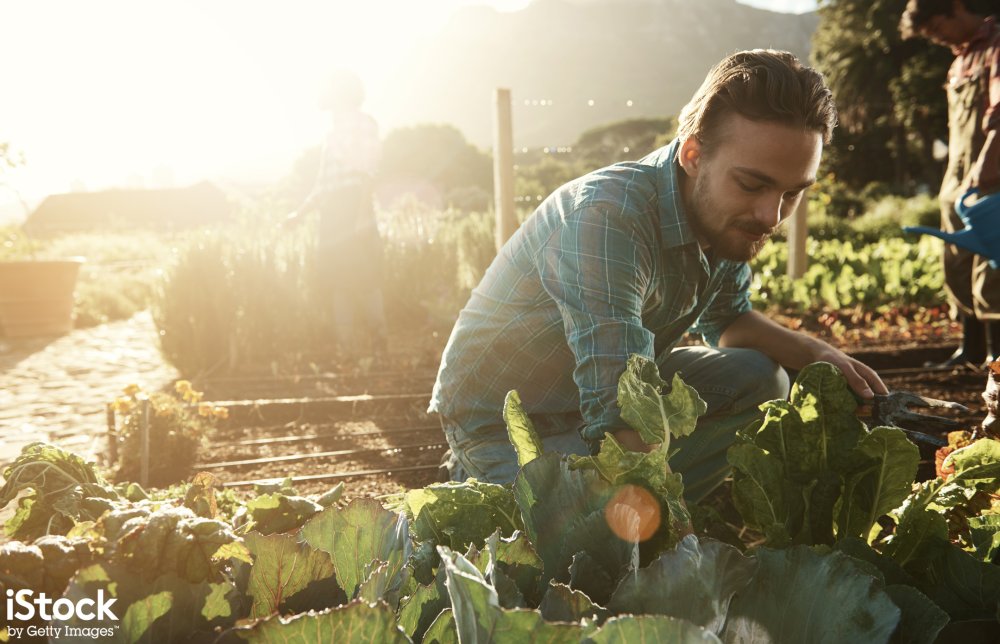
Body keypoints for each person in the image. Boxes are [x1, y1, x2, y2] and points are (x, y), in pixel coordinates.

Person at [428, 49, 888, 502]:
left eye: (793, 193)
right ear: (692, 155)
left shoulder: (726, 220)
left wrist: (818, 352)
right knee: (571, 548)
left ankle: (639, 512)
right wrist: (654, 513)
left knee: (762, 379)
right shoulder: (607, 216)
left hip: (601, 397)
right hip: (510, 422)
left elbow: (728, 322)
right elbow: (618, 406)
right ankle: (481, 478)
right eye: (752, 184)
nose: (771, 215)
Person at [901, 0, 1000, 368]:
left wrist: (987, 166)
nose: (936, 38)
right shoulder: (960, 61)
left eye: (936, 27)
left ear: (954, 8)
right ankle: (971, 350)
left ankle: (995, 357)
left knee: (989, 267)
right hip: (957, 179)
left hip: (990, 174)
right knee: (955, 262)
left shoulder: (995, 46)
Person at [287, 69, 388, 362]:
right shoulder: (332, 134)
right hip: (332, 213)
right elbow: (323, 185)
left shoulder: (361, 124)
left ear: (340, 94)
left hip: (353, 207)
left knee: (366, 280)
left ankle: (380, 351)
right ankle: (347, 354)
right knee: (339, 283)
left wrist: (360, 217)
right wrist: (299, 214)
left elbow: (369, 172)